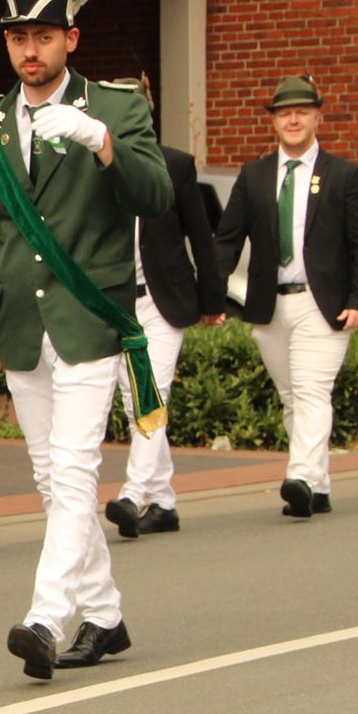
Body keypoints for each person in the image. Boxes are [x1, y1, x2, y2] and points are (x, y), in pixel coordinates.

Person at [0, 0, 172, 680]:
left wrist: (104, 144)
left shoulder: (117, 108)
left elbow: (159, 195)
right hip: (23, 326)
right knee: (48, 476)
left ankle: (45, 615)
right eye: (18, 38)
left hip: (91, 317)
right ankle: (104, 613)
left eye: (43, 36)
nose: (29, 51)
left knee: (72, 472)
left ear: (71, 37)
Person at [214, 75, 358, 519]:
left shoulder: (343, 174)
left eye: (301, 112)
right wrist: (212, 296)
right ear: (273, 121)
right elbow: (227, 240)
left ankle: (301, 477)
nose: (292, 120)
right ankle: (317, 487)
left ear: (317, 117)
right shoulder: (254, 175)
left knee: (311, 391)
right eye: (284, 113)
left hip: (322, 305)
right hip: (268, 306)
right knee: (291, 396)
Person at [104, 133, 226, 539]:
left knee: (150, 394)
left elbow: (200, 234)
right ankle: (163, 502)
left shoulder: (175, 164)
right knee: (132, 401)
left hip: (162, 300)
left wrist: (212, 299)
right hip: (116, 303)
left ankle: (133, 493)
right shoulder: (92, 162)